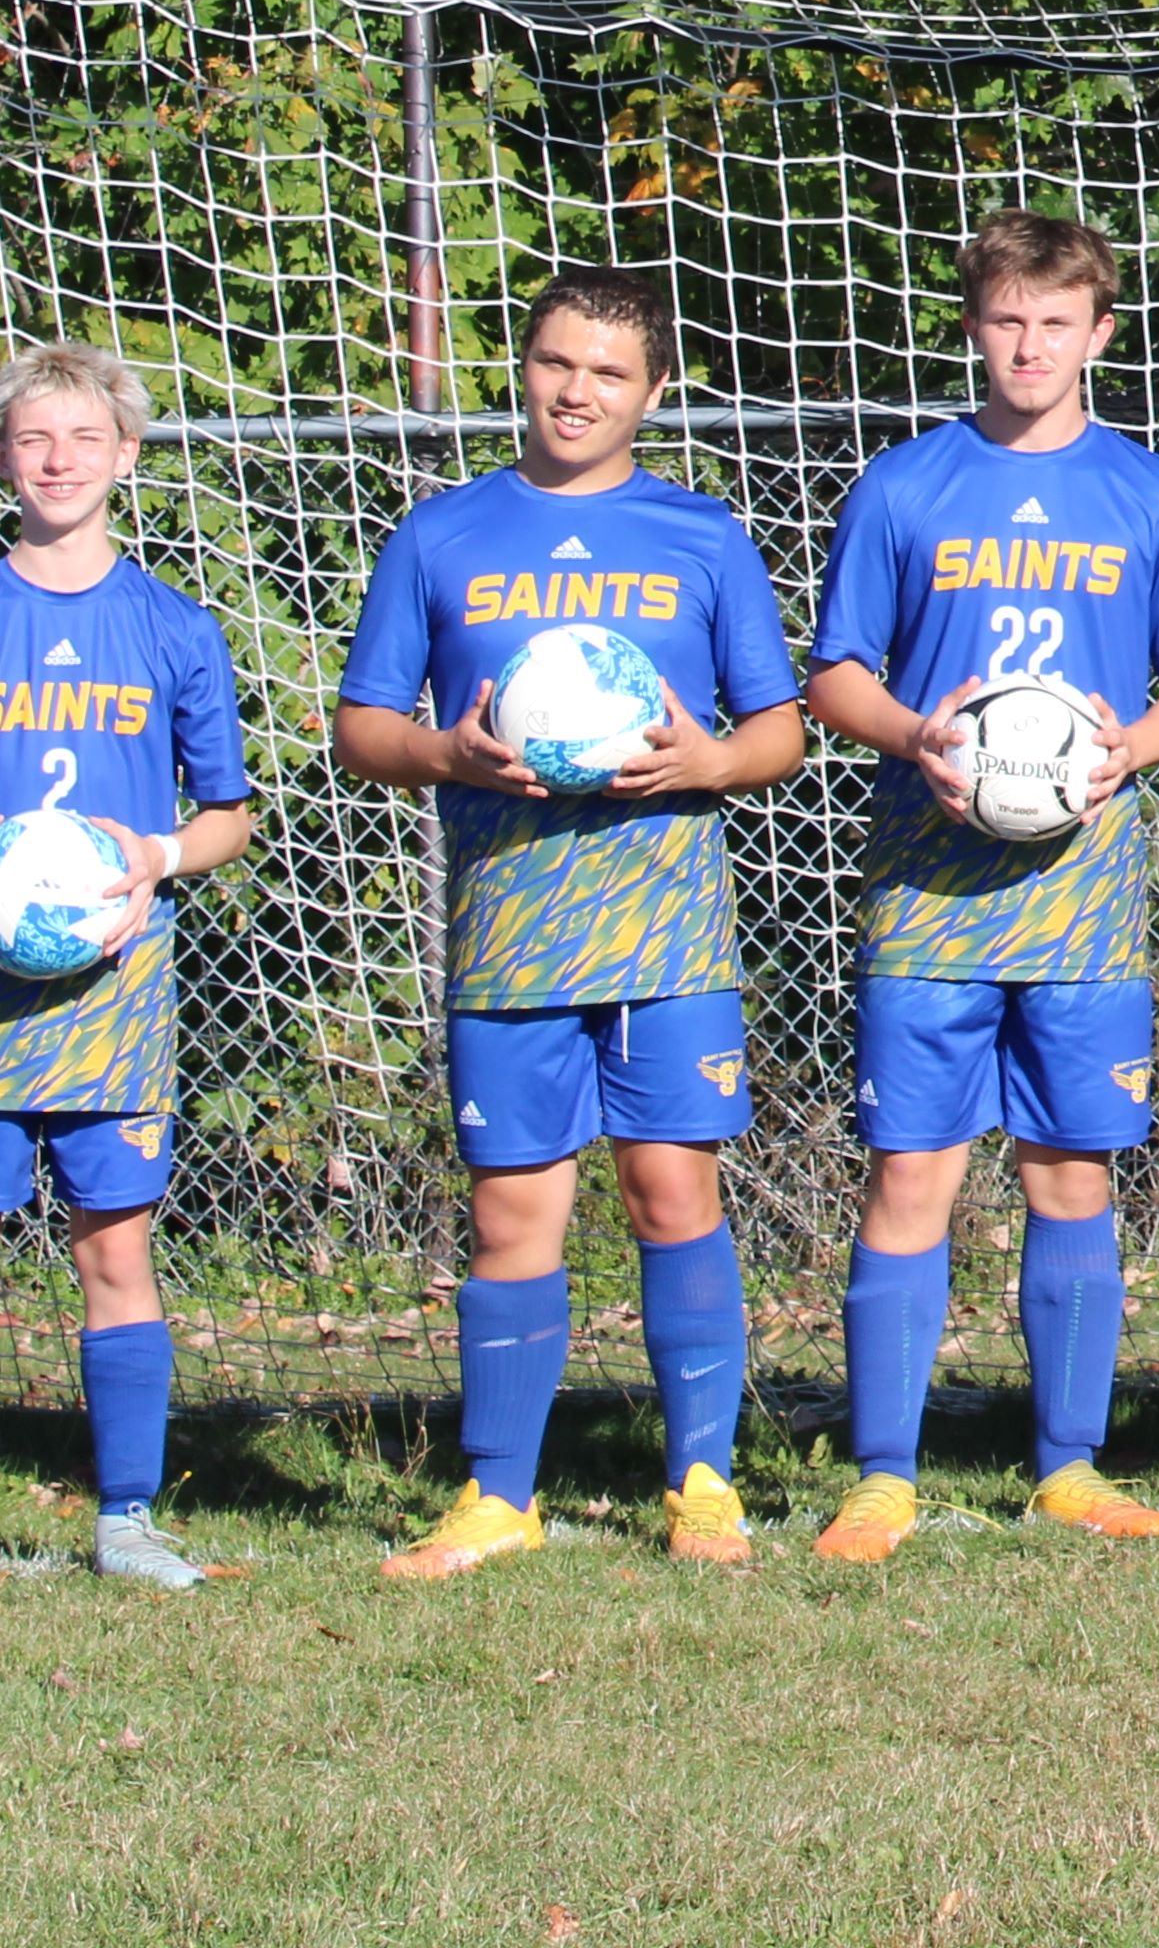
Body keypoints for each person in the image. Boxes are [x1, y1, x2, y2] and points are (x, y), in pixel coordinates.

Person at [335, 266, 809, 1579]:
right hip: (508, 939)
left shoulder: (703, 535)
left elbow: (777, 731)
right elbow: (361, 728)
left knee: (671, 1193)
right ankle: (498, 1495)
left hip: (668, 938)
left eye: (607, 373)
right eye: (555, 363)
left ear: (653, 394)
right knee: (511, 1215)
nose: (575, 392)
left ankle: (701, 1479)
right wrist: (449, 753)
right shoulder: (440, 535)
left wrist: (704, 764)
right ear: (524, 368)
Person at [798, 210, 1159, 1560]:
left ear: (1101, 334)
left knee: (1070, 1180)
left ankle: (1070, 1467)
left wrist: (1123, 749)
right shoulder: (906, 485)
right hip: (927, 895)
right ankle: (883, 1473)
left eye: (1057, 323)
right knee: (911, 1177)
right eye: (1005, 321)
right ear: (972, 328)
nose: (1029, 346)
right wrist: (920, 735)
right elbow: (834, 675)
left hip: (1089, 897)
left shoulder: (1151, 494)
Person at [0, 340, 259, 1602]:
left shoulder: (175, 627)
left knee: (114, 1255)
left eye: (85, 438)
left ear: (127, 457)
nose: (61, 460)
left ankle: (126, 1516)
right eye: (35, 439)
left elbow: (230, 815)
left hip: (114, 996)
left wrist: (159, 854)